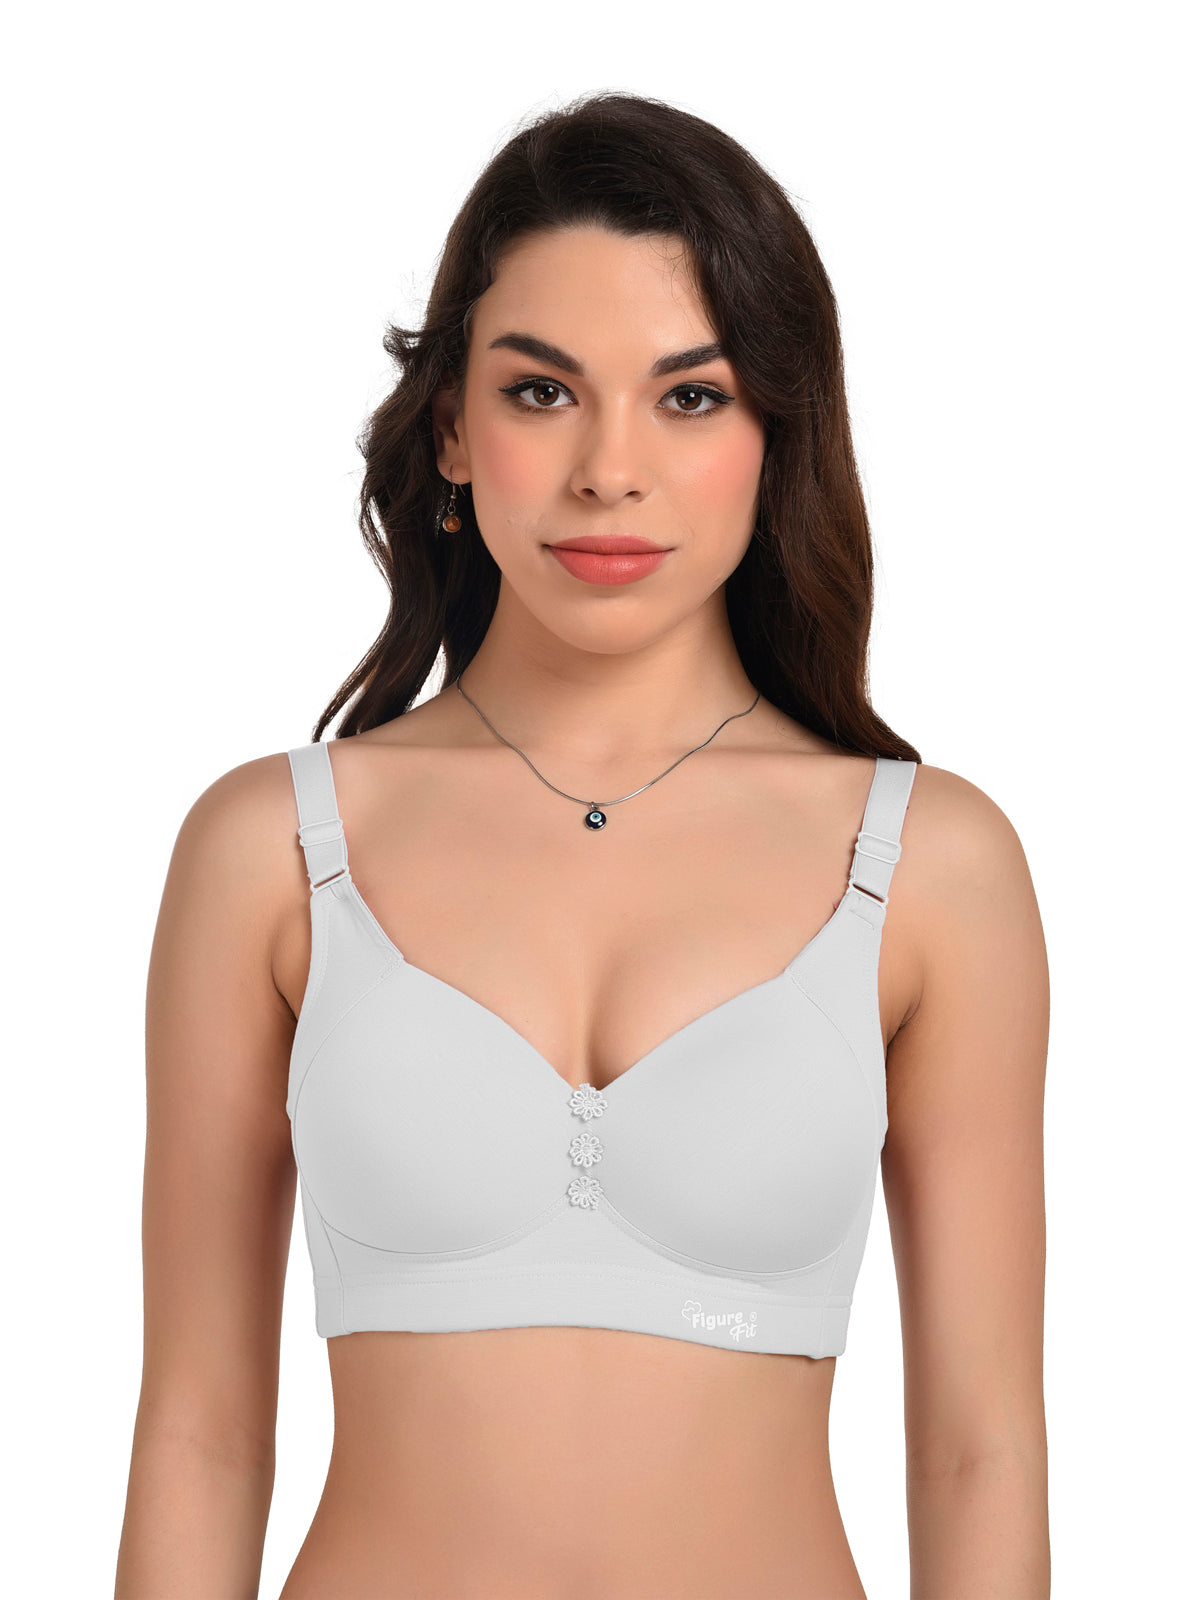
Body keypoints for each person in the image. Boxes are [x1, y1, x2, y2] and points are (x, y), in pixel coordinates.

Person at [115, 91, 1050, 1600]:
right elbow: (199, 1436)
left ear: (777, 433)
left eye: (692, 398)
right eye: (544, 391)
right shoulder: (271, 849)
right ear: (452, 428)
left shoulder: (931, 866)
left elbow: (979, 1450)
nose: (611, 469)